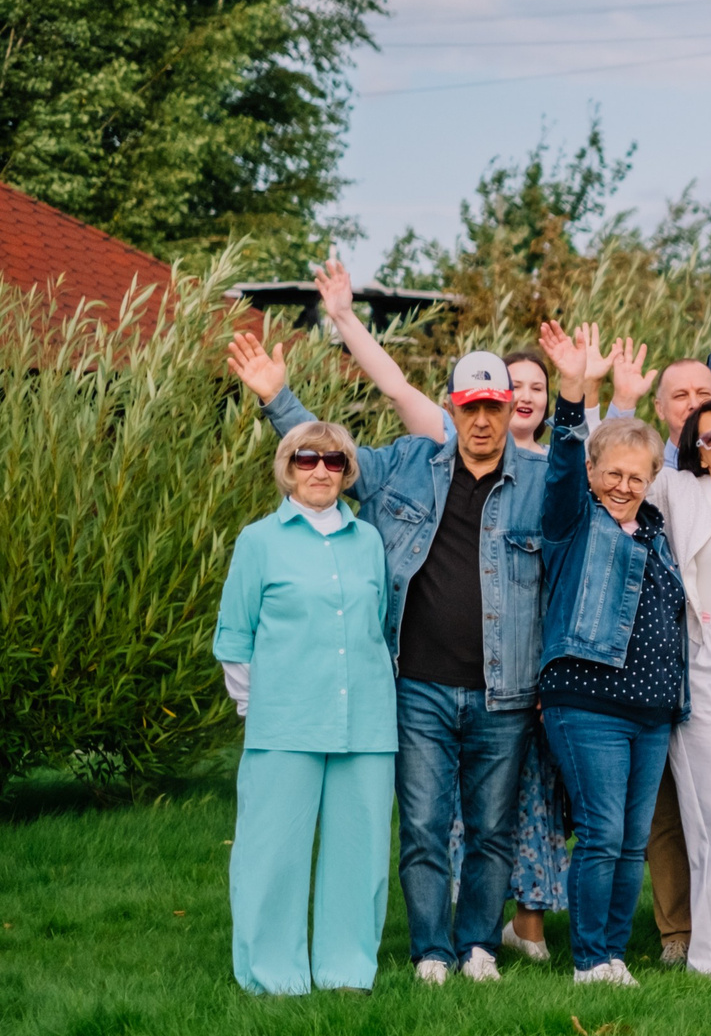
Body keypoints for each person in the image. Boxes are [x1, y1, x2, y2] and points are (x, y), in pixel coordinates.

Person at [229, 318, 549, 991]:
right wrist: (277, 400)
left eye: (495, 408)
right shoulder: (408, 462)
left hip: (504, 691)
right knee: (426, 827)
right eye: (471, 408)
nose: (484, 421)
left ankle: (479, 946)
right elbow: (330, 460)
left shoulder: (542, 483)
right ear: (454, 408)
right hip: (418, 686)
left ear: (510, 409)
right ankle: (430, 950)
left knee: (492, 830)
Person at [557, 328, 711, 981]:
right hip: (702, 664)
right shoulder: (677, 491)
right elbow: (615, 466)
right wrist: (604, 395)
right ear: (695, 453)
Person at [213, 421, 398, 995]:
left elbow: (382, 624)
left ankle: (346, 971)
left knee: (360, 853)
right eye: (306, 459)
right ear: (287, 467)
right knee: (272, 855)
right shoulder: (257, 541)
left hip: (366, 721)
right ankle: (273, 976)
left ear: (347, 472)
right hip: (284, 721)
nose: (320, 470)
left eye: (334, 461)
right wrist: (256, 704)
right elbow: (235, 636)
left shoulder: (369, 540)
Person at [536, 378, 689, 987]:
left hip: (652, 708)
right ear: (595, 471)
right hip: (589, 702)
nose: (625, 486)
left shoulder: (655, 531)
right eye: (614, 473)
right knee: (600, 832)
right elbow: (560, 467)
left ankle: (614, 955)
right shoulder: (575, 520)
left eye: (637, 476)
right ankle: (589, 959)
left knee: (630, 841)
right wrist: (571, 400)